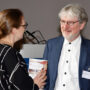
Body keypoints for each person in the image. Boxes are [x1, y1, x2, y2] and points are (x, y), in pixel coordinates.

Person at [43, 3, 90, 90]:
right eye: (63, 21)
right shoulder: (51, 45)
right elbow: (45, 78)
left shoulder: (88, 48)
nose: (65, 26)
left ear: (81, 25)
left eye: (70, 23)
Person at [0, 9, 46, 90]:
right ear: (13, 29)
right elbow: (21, 85)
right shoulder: (8, 52)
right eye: (24, 26)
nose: (25, 29)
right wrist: (35, 85)